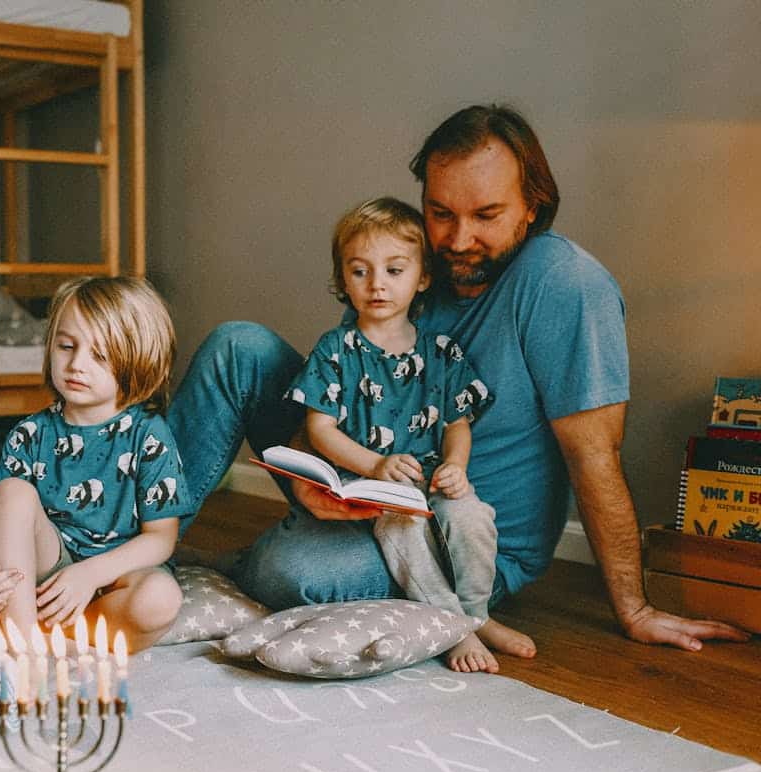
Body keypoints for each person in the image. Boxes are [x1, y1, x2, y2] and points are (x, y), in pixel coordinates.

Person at [168, 104, 750, 652]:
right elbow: (335, 398)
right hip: (369, 491)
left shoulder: (564, 284)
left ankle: (230, 565)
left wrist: (635, 608)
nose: (459, 239)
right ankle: (129, 554)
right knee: (236, 346)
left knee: (289, 573)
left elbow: (595, 455)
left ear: (532, 205)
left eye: (486, 215)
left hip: (457, 542)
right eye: (441, 213)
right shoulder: (411, 263)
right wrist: (305, 479)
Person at [287, 196, 533, 672]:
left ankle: (478, 616)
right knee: (407, 527)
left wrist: (456, 466)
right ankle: (449, 627)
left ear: (421, 278)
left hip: (433, 476)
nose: (377, 284)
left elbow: (456, 423)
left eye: (394, 270)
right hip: (377, 488)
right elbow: (320, 429)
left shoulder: (441, 353)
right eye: (360, 272)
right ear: (343, 281)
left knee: (472, 518)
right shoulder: (337, 349)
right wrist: (374, 467)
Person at [0, 276, 185, 652]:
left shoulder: (149, 434)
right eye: (66, 346)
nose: (76, 364)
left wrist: (89, 575)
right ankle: (24, 644)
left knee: (161, 598)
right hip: (44, 575)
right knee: (12, 491)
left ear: (138, 361)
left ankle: (63, 638)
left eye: (99, 355)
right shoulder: (30, 434)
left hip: (115, 577)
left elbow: (161, 538)